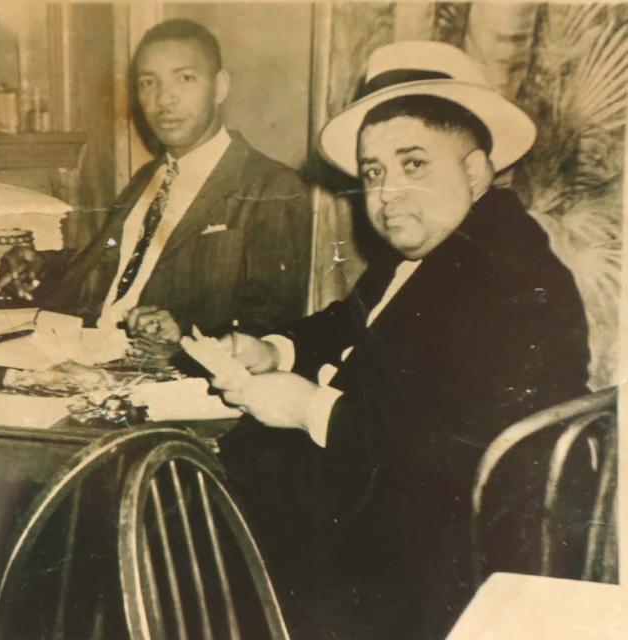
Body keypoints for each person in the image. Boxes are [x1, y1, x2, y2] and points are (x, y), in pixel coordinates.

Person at [212, 41, 590, 639]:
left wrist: (308, 406)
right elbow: (351, 319)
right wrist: (274, 349)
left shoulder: (507, 272)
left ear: (474, 169)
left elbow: (450, 452)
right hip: (399, 527)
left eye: (414, 164)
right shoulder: (438, 248)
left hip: (440, 569)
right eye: (374, 173)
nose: (387, 195)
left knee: (191, 528)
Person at [24, 19, 312, 351]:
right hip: (86, 352)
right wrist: (39, 264)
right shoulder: (148, 178)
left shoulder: (270, 186)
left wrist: (182, 338)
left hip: (171, 378)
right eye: (148, 82)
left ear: (220, 87)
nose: (164, 99)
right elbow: (105, 264)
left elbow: (272, 325)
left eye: (185, 78)